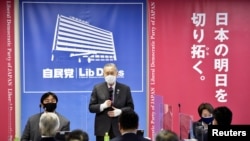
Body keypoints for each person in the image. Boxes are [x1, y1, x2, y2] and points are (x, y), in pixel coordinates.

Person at [89, 63, 134, 141]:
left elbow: (131, 107)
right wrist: (102, 106)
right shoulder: (97, 88)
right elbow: (91, 107)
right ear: (103, 74)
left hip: (120, 128)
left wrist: (120, 111)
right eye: (107, 73)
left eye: (112, 73)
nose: (109, 75)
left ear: (116, 73)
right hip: (102, 130)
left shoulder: (125, 89)